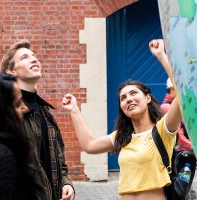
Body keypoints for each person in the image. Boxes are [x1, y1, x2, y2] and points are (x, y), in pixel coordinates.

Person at [61, 39, 182, 200]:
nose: (128, 99)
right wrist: (74, 111)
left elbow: (183, 93)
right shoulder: (123, 137)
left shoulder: (163, 130)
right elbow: (89, 145)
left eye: (133, 93)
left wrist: (162, 56)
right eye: (123, 98)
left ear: (147, 98)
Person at [0, 39, 74, 200]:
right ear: (11, 71)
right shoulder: (5, 112)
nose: (34, 59)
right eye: (25, 57)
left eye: (34, 56)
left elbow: (59, 159)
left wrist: (66, 183)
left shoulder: (46, 112)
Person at [161, 78, 191, 152]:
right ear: (173, 89)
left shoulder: (176, 106)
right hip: (181, 152)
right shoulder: (167, 108)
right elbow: (179, 138)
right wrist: (196, 148)